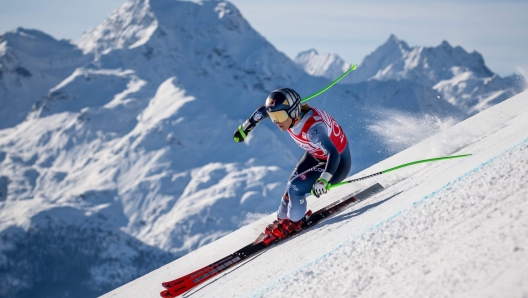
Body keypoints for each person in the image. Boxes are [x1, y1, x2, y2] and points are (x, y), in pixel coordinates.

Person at [233, 88, 351, 241]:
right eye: (273, 116)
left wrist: (324, 179)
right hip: (316, 154)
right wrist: (246, 127)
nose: (276, 121)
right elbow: (263, 111)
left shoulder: (314, 129)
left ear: (294, 112)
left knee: (295, 188)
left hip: (336, 163)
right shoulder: (291, 116)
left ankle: (295, 222)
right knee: (289, 188)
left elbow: (333, 154)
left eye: (280, 116)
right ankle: (284, 219)